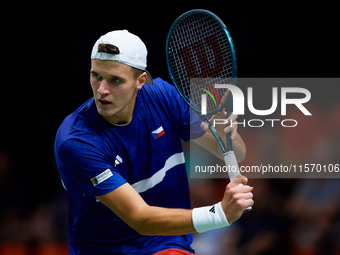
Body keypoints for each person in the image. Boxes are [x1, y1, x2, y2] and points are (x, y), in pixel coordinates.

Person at [54, 30, 254, 255]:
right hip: (105, 250)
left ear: (140, 81)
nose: (102, 90)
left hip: (166, 244)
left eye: (115, 80)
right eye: (96, 76)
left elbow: (235, 153)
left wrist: (224, 132)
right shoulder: (77, 140)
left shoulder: (163, 97)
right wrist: (220, 214)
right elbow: (141, 219)